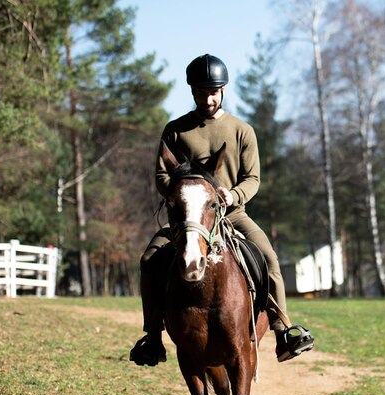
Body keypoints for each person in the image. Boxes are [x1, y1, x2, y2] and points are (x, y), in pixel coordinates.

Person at [130, 54, 314, 366]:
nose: (208, 98)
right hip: (188, 218)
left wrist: (233, 195)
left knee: (268, 257)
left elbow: (253, 178)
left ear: (223, 91)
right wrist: (183, 195)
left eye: (213, 92)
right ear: (193, 93)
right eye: (202, 92)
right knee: (149, 259)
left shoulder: (242, 131)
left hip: (232, 213)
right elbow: (162, 175)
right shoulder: (175, 130)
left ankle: (284, 330)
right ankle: (153, 336)